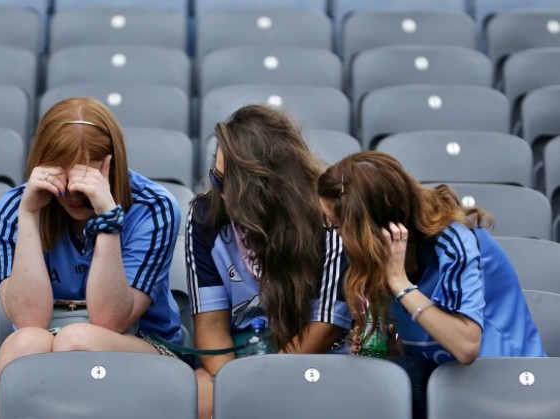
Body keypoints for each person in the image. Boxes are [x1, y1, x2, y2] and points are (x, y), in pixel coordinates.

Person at [0, 97, 182, 419]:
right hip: (46, 330)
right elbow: (28, 318)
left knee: (78, 339)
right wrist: (30, 215)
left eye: (86, 177)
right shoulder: (14, 207)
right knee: (24, 344)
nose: (75, 193)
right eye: (63, 176)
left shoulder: (154, 207)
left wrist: (107, 219)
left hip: (141, 340)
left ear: (111, 165)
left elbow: (110, 320)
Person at [317, 150, 546, 418]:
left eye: (337, 226)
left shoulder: (455, 240)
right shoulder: (378, 257)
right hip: (443, 385)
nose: (337, 236)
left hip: (507, 385)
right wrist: (387, 346)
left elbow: (466, 346)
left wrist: (401, 285)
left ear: (368, 228)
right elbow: (419, 345)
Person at [186, 104, 352, 419]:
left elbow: (326, 326)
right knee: (198, 394)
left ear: (269, 187)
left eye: (229, 185)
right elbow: (210, 325)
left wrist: (268, 384)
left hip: (314, 355)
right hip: (238, 354)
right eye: (216, 179)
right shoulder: (204, 215)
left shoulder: (327, 217)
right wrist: (238, 384)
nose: (219, 193)